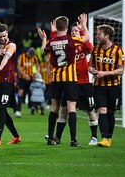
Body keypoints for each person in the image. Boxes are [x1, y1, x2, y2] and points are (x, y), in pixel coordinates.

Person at [38, 15, 89, 147]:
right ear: (66, 27)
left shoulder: (53, 40)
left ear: (56, 26)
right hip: (70, 78)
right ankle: (73, 140)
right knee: (71, 108)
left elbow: (44, 50)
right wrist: (83, 24)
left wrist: (44, 38)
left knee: (54, 107)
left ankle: (50, 138)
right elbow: (87, 38)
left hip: (56, 79)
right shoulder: (72, 40)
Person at [49, 15, 98, 146]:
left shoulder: (82, 44)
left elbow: (91, 50)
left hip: (84, 81)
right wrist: (83, 27)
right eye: (72, 31)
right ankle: (58, 137)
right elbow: (85, 37)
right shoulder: (72, 41)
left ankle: (94, 136)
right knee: (65, 109)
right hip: (70, 81)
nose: (74, 32)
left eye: (76, 30)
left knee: (90, 110)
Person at [89, 24, 125, 147]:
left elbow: (121, 70)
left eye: (99, 33)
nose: (97, 36)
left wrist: (105, 73)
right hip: (99, 86)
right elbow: (90, 65)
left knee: (110, 112)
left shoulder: (118, 51)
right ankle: (104, 138)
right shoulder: (95, 49)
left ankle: (109, 138)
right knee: (102, 110)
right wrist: (92, 70)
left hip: (114, 86)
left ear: (107, 36)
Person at [16, 47, 39, 117]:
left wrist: (36, 73)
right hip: (22, 78)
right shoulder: (21, 56)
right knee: (20, 93)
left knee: (32, 92)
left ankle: (32, 107)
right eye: (30, 56)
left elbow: (37, 65)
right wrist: (24, 74)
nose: (31, 57)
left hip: (31, 78)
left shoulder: (34, 57)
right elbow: (18, 67)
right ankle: (18, 110)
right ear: (28, 53)